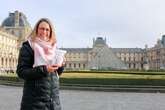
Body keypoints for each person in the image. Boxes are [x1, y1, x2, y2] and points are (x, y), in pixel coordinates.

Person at [16, 18, 65, 110]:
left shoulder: (53, 47)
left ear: (51, 32)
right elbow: (21, 72)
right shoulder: (28, 47)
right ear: (36, 30)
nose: (44, 32)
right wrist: (44, 69)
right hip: (34, 103)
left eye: (47, 30)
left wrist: (61, 65)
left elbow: (57, 73)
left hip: (53, 102)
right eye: (42, 28)